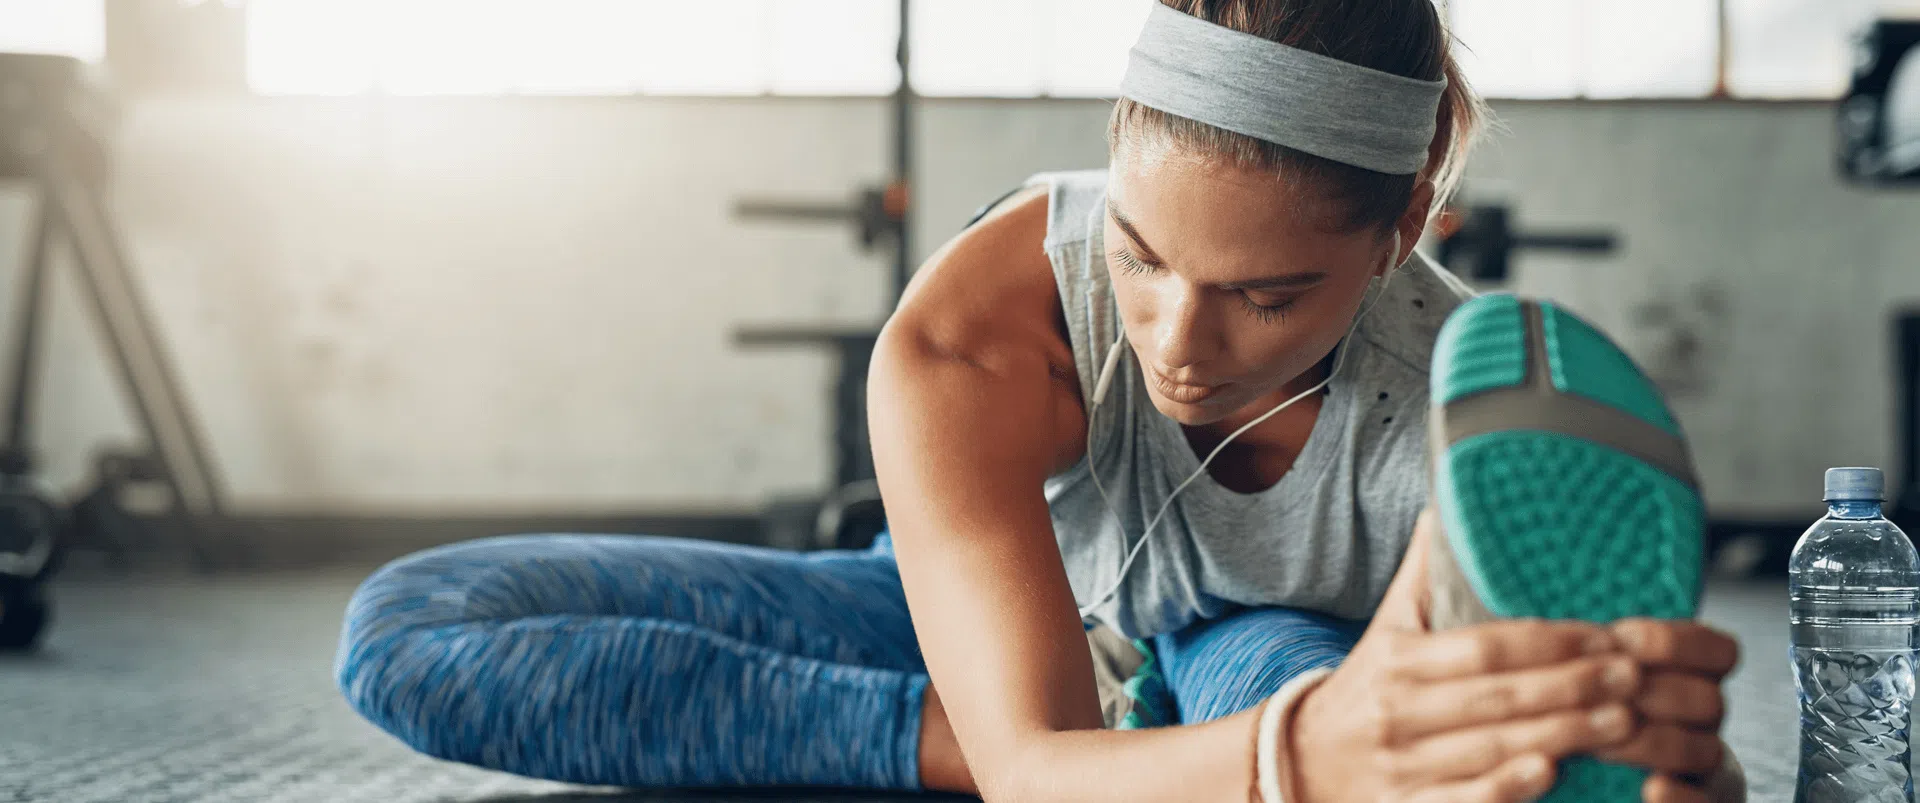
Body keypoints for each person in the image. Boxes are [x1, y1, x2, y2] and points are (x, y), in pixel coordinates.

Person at [334, 1, 1745, 801]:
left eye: (1267, 296)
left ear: (1400, 226)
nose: (1178, 345)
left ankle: (1179, 759)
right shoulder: (973, 328)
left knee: (1295, 693)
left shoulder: (1463, 404)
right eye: (1140, 256)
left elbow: (1533, 720)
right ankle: (1155, 767)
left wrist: (1625, 750)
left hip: (1279, 655)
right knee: (412, 633)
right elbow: (1021, 760)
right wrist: (1284, 760)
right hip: (986, 637)